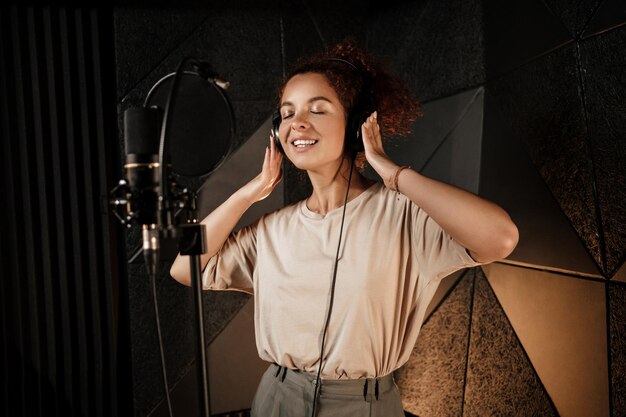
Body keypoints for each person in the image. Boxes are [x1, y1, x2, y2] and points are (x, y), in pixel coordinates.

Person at [170, 42, 519, 417]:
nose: (297, 123)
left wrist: (392, 172)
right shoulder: (272, 229)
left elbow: (501, 238)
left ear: (356, 125)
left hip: (363, 405)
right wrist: (248, 192)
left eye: (317, 109)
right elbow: (182, 267)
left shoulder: (405, 216)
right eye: (287, 114)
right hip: (276, 397)